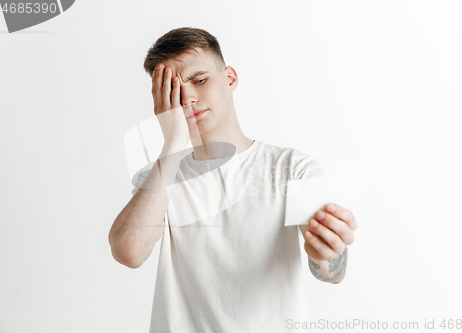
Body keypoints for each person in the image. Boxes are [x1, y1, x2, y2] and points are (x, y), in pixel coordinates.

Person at [108, 27, 358, 333]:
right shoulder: (160, 177)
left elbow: (333, 273)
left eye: (199, 80)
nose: (188, 97)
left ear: (230, 78)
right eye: (173, 91)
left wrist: (328, 252)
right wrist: (173, 142)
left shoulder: (294, 167)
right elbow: (129, 252)